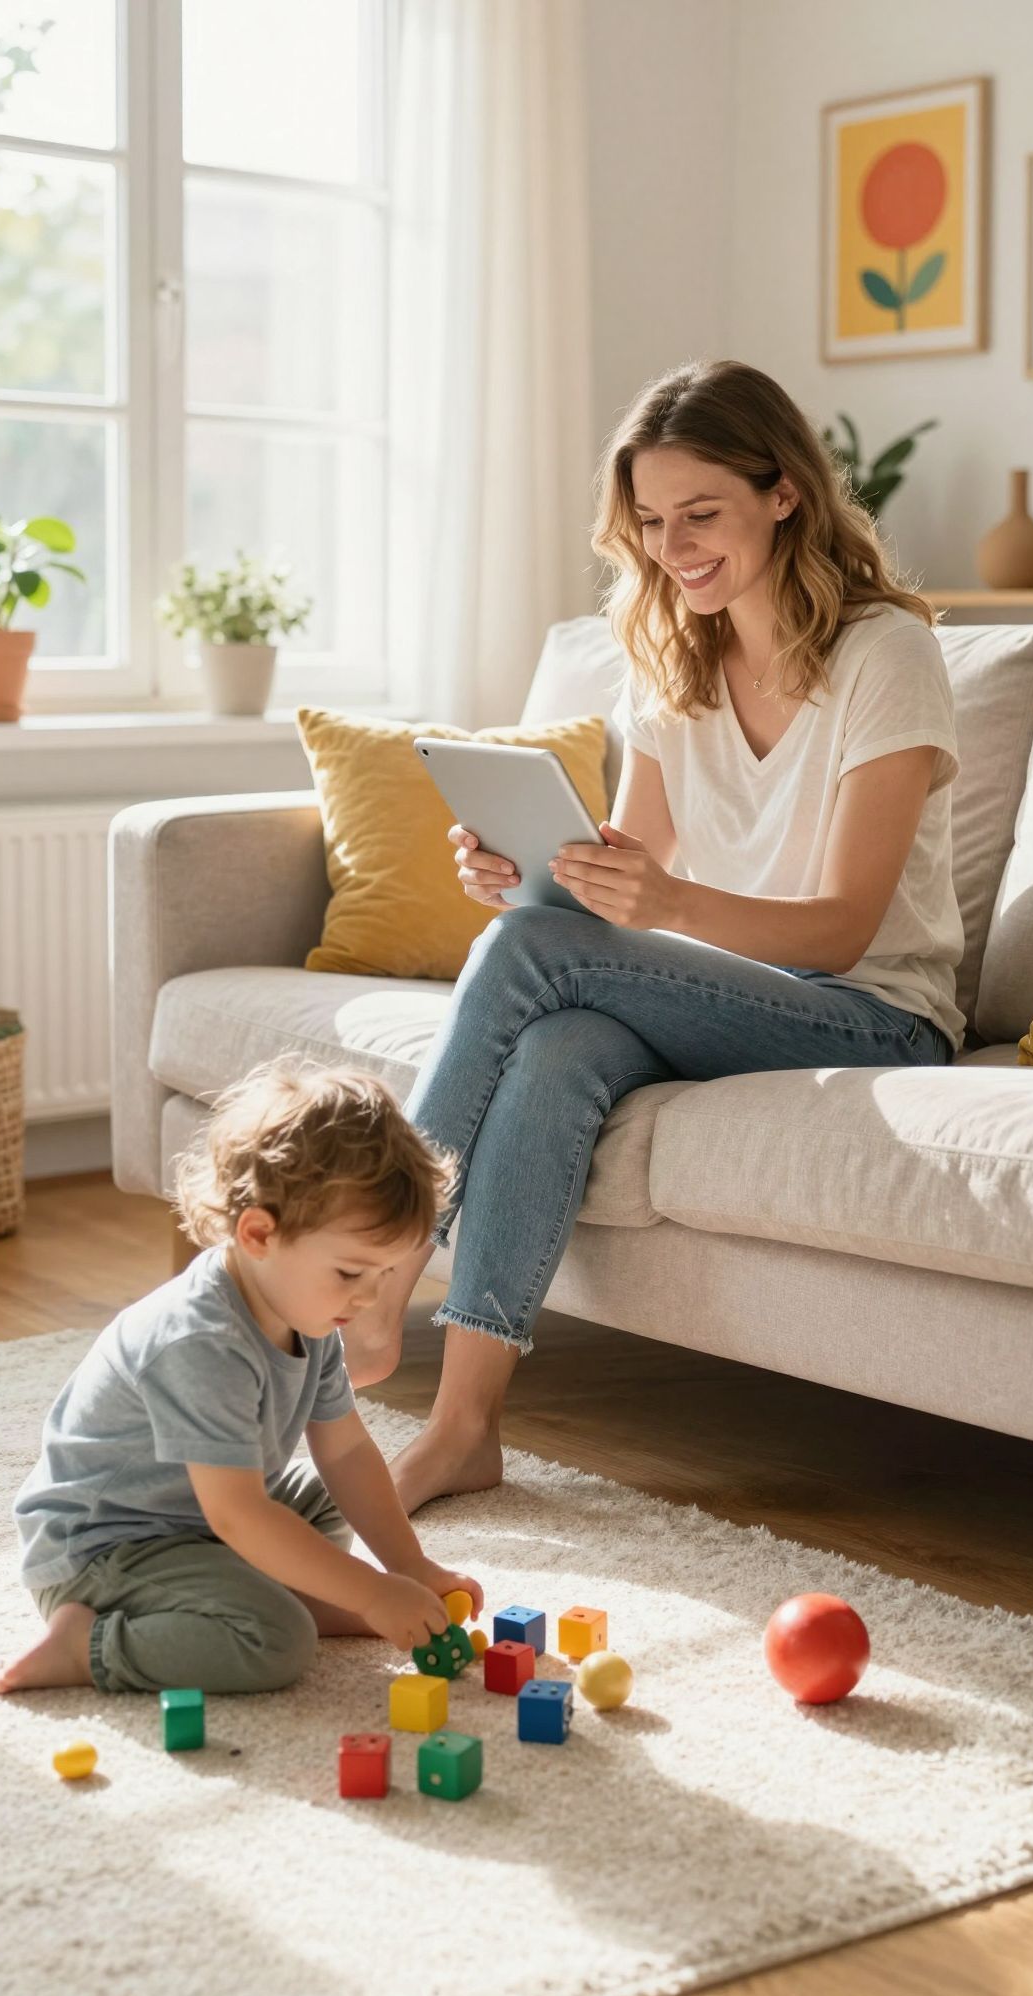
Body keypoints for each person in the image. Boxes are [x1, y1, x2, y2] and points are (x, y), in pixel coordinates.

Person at [344, 357, 966, 1517]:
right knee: (559, 1040)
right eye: (650, 522)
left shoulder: (886, 654)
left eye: (701, 514)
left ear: (784, 491)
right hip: (722, 990)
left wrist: (644, 908)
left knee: (543, 964)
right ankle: (466, 1427)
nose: (673, 546)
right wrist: (528, 879)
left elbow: (839, 928)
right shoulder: (672, 654)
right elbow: (628, 874)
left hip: (875, 1011)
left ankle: (382, 1251)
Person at [0, 1058, 482, 1697]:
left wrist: (408, 1565)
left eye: (384, 1275)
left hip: (195, 1517)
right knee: (276, 1642)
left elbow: (348, 1451)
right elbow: (240, 1516)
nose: (367, 1298)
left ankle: (279, 1592)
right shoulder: (201, 1342)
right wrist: (370, 1591)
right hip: (104, 1548)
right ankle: (85, 1646)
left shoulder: (310, 1313)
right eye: (350, 1272)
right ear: (258, 1234)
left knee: (341, 1490)